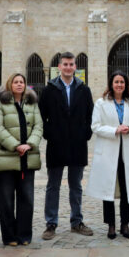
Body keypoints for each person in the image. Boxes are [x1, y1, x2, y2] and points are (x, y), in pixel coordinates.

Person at [39, 52, 94, 239]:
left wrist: (86, 134)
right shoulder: (49, 90)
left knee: (76, 185)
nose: (68, 67)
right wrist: (49, 134)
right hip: (56, 143)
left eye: (71, 64)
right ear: (59, 67)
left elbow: (90, 115)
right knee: (53, 185)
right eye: (65, 64)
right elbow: (41, 115)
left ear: (75, 67)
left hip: (78, 144)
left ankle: (76, 221)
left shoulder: (84, 90)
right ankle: (51, 223)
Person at [0, 73, 43, 246]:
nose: (19, 84)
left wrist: (30, 144)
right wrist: (15, 145)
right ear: (10, 84)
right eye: (16, 82)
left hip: (27, 158)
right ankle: (9, 236)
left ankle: (24, 235)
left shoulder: (32, 104)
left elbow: (38, 126)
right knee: (6, 199)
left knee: (26, 198)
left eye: (22, 82)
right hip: (6, 158)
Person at [87, 71, 129, 239]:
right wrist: (114, 130)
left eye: (122, 82)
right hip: (109, 151)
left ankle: (125, 223)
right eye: (116, 82)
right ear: (111, 84)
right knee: (108, 188)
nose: (119, 85)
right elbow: (95, 126)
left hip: (126, 151)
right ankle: (111, 224)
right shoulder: (101, 103)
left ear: (126, 85)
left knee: (126, 188)